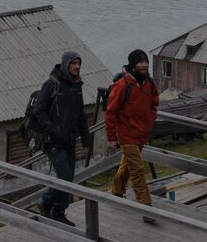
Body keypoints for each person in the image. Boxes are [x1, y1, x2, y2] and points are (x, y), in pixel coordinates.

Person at [33, 49, 93, 226]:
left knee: (69, 178)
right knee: (65, 176)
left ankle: (58, 211)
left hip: (69, 140)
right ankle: (46, 202)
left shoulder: (76, 85)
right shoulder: (52, 84)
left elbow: (80, 114)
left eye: (78, 63)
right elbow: (38, 111)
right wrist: (53, 130)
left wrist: (86, 137)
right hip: (52, 141)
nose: (76, 67)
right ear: (66, 64)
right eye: (73, 63)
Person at [107, 49, 160, 211]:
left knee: (127, 166)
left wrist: (149, 124)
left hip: (141, 134)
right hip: (126, 134)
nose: (144, 65)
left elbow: (153, 103)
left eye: (146, 61)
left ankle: (116, 191)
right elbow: (110, 112)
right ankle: (146, 206)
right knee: (137, 169)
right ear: (132, 64)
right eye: (140, 62)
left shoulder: (148, 83)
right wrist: (111, 138)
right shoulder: (122, 85)